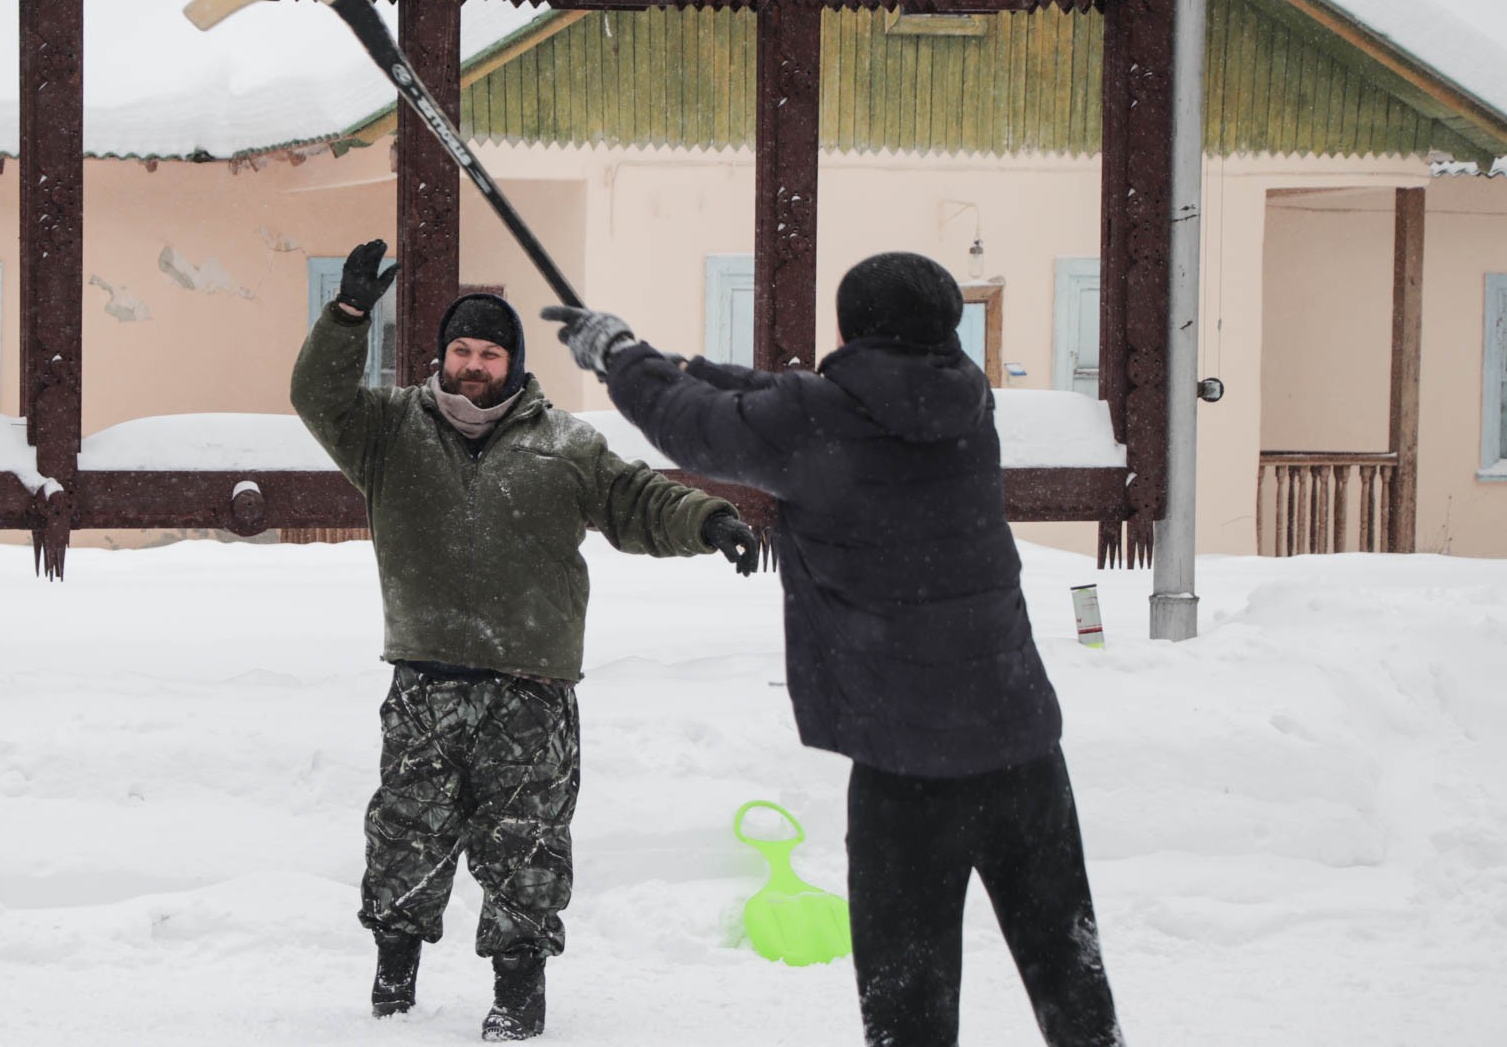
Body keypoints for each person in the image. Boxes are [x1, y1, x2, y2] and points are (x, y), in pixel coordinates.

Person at [542, 252, 1125, 1047]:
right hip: (1020, 744)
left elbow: (695, 427)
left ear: (850, 328)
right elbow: (788, 400)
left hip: (904, 764)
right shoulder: (965, 395)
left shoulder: (817, 420)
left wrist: (618, 355)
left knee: (908, 994)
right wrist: (683, 365)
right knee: (1068, 969)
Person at [291, 238, 759, 1042]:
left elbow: (638, 498)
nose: (473, 365)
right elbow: (316, 395)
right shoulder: (387, 432)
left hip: (529, 690)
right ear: (442, 355)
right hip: (425, 683)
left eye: (490, 353)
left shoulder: (565, 446)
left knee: (526, 851)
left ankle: (518, 999)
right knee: (406, 839)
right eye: (461, 350)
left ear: (514, 361)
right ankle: (392, 990)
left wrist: (707, 519)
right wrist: (347, 316)